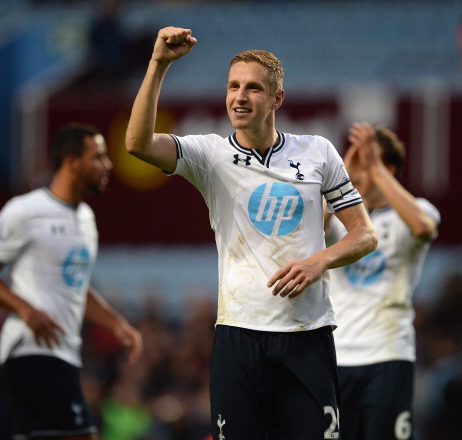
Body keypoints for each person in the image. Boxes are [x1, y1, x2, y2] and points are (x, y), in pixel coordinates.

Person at [125, 26, 378, 439]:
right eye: (233, 86)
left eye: (254, 88)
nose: (240, 97)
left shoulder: (318, 151)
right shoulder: (211, 155)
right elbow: (137, 144)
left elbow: (364, 234)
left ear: (277, 99)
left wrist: (320, 260)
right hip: (239, 337)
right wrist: (158, 64)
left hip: (307, 335)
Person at [0, 123, 143, 440]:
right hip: (32, 349)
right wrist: (25, 309)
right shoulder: (25, 211)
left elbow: (76, 287)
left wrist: (117, 324)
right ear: (72, 162)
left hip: (64, 352)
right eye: (98, 157)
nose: (107, 165)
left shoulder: (86, 218)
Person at [325, 122, 440, 440]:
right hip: (335, 356)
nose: (357, 172)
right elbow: (312, 229)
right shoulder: (338, 221)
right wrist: (339, 176)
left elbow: (423, 228)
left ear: (387, 169)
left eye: (366, 162)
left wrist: (373, 167)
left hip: (388, 355)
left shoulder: (416, 211)